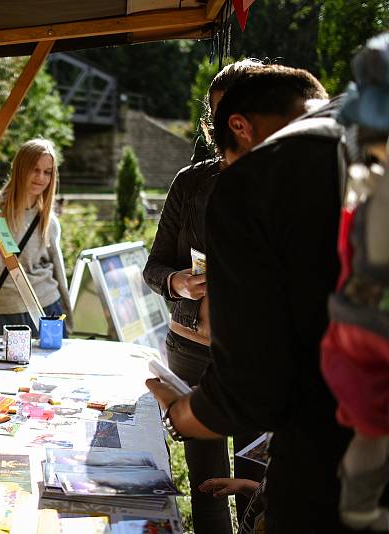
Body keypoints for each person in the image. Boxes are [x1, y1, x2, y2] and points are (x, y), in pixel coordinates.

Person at [145, 67, 365, 532]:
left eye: (229, 157)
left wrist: (180, 412)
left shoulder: (257, 180)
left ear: (241, 129)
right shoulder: (367, 132)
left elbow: (252, 385)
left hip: (333, 467)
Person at [142, 60, 265, 534]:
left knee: (257, 485)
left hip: (255, 359)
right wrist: (177, 282)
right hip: (191, 355)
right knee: (208, 486)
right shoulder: (190, 182)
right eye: (218, 113)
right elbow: (153, 267)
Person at [320, 33, 389, 532]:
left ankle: (359, 508)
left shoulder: (368, 184)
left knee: (371, 433)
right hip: (369, 326)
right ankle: (361, 509)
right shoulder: (375, 189)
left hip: (356, 330)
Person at [0, 138, 72, 336]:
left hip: (48, 308)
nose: (40, 178)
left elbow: (58, 273)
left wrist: (68, 316)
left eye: (47, 172)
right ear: (20, 168)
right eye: (34, 169)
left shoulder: (48, 220)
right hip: (3, 312)